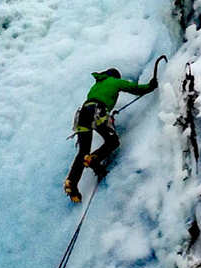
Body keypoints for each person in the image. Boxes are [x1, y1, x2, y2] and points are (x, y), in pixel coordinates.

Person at [64, 68, 158, 202]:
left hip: (82, 114)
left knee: (82, 151)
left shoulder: (96, 85)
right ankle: (94, 158)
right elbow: (133, 88)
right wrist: (150, 86)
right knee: (112, 141)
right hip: (97, 111)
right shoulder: (114, 81)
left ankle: (71, 182)